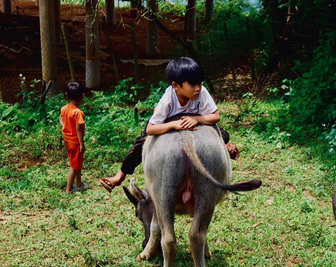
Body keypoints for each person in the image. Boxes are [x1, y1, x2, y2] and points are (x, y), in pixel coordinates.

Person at [100, 57, 239, 192]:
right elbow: (150, 129)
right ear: (176, 86)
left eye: (200, 83)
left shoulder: (201, 92)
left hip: (195, 121)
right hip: (168, 121)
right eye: (192, 84)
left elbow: (216, 116)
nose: (197, 88)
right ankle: (120, 175)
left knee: (224, 135)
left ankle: (223, 148)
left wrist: (197, 119)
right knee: (141, 144)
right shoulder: (168, 97)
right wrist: (173, 125)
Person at [60, 81, 88, 192]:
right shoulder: (78, 112)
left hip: (67, 140)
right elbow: (78, 129)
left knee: (76, 162)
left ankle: (79, 183)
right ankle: (69, 188)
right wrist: (82, 143)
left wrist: (64, 127)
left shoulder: (64, 108)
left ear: (66, 94)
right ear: (82, 96)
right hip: (75, 142)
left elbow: (61, 118)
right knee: (73, 165)